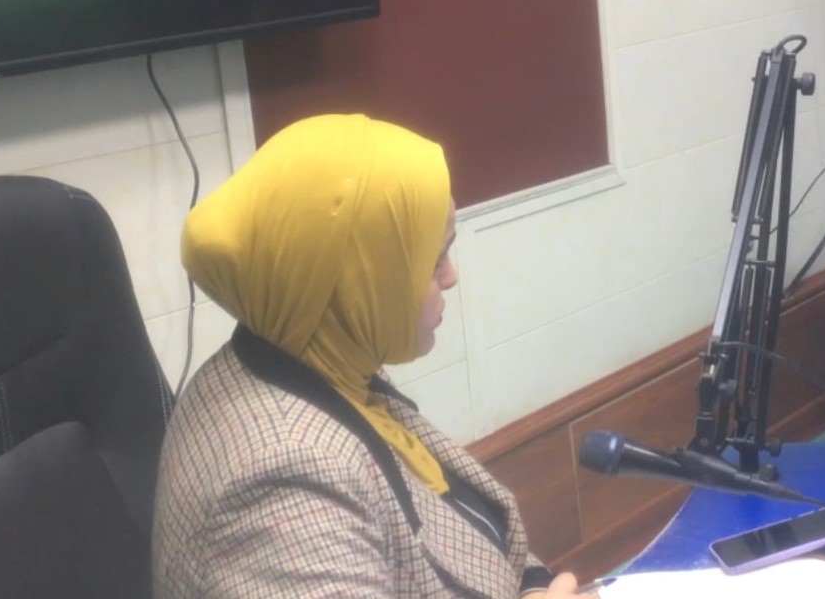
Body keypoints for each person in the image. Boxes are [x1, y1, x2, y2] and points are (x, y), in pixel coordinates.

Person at [153, 114, 580, 598]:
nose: (451, 277)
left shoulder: (314, 356)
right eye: (433, 259)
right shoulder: (281, 484)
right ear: (356, 280)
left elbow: (467, 532)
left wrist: (533, 586)